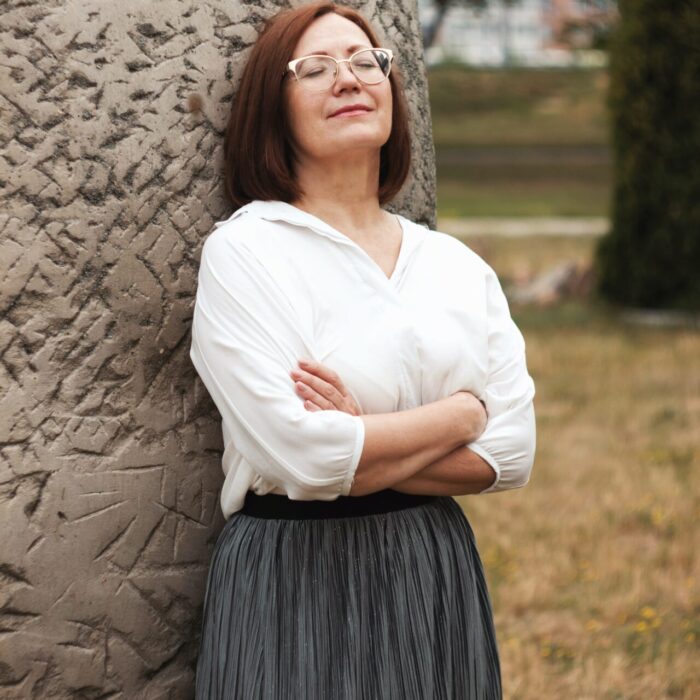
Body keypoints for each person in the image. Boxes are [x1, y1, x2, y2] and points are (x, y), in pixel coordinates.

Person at [189, 2, 536, 698]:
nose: (348, 79)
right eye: (314, 69)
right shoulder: (247, 251)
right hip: (293, 577)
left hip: (431, 568)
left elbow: (513, 454)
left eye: (364, 62)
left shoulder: (456, 265)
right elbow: (305, 455)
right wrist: (460, 416)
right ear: (272, 110)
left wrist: (362, 441)